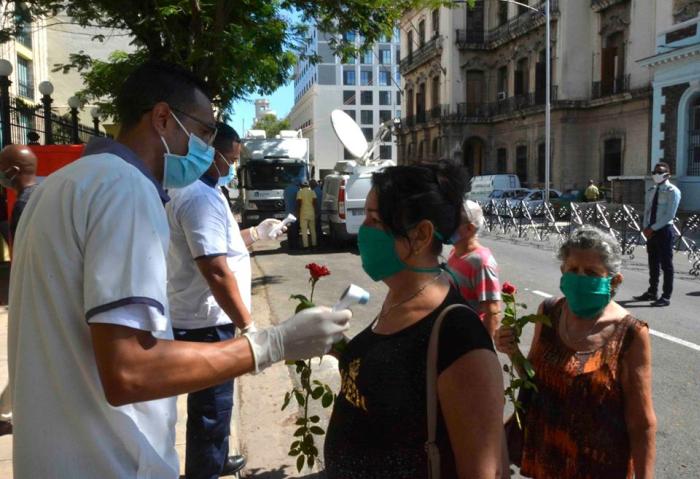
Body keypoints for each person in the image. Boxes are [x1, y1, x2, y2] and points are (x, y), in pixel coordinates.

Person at [7, 60, 351, 478]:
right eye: (205, 132)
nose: (208, 149)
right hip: (110, 462)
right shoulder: (124, 189)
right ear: (163, 118)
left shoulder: (63, 183)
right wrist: (270, 345)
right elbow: (129, 370)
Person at [325, 163, 506, 478]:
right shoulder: (399, 295)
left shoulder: (459, 339)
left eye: (375, 219)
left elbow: (485, 471)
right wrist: (335, 346)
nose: (362, 229)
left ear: (421, 235)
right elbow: (393, 377)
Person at [166, 123, 285, 478]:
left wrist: (258, 234)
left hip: (198, 315)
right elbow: (215, 268)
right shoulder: (198, 197)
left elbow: (222, 246)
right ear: (211, 152)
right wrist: (249, 325)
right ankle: (206, 469)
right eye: (230, 159)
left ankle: (213, 460)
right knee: (212, 409)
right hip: (206, 323)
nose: (232, 166)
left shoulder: (204, 190)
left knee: (212, 408)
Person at [495, 226, 656, 479]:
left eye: (591, 272)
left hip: (599, 468)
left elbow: (641, 422)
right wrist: (511, 351)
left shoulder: (630, 334)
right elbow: (535, 380)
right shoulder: (549, 313)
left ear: (614, 281)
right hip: (547, 460)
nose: (580, 278)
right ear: (563, 272)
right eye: (573, 270)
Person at [0, 144, 40, 437]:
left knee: (27, 354)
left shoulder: (27, 202)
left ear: (12, 171)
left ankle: (6, 412)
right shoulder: (37, 195)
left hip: (34, 296)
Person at [446, 200, 502, 337]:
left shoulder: (481, 262)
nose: (446, 226)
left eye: (453, 222)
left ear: (469, 228)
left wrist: (485, 349)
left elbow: (492, 311)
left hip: (469, 339)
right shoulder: (454, 253)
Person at [633, 162, 681, 307]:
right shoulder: (652, 189)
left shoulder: (673, 191)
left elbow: (669, 215)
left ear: (667, 174)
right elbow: (647, 210)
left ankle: (666, 296)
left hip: (664, 230)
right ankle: (652, 291)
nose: (656, 174)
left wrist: (652, 228)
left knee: (667, 264)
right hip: (650, 231)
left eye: (659, 172)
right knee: (653, 262)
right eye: (654, 172)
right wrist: (645, 227)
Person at [0, 145, 39, 245]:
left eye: (1, 164)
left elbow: (23, 250)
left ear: (14, 171)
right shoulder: (43, 194)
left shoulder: (22, 205)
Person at [297, 180, 317, 249]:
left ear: (301, 186)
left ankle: (306, 246)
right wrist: (315, 211)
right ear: (308, 185)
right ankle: (314, 244)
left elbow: (299, 203)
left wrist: (298, 212)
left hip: (303, 213)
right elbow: (315, 202)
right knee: (313, 230)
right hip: (311, 212)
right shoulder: (312, 191)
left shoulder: (300, 192)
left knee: (304, 231)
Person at [283, 181, 300, 250]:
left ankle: (290, 245)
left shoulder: (286, 189)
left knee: (289, 230)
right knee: (295, 230)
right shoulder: (297, 189)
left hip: (287, 213)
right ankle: (295, 246)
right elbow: (298, 202)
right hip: (294, 213)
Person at [310, 178, 323, 245]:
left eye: (310, 185)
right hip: (320, 210)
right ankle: (320, 240)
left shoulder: (314, 191)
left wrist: (316, 212)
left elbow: (315, 203)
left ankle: (318, 241)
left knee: (317, 226)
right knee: (319, 226)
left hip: (317, 210)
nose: (310, 187)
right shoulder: (319, 190)